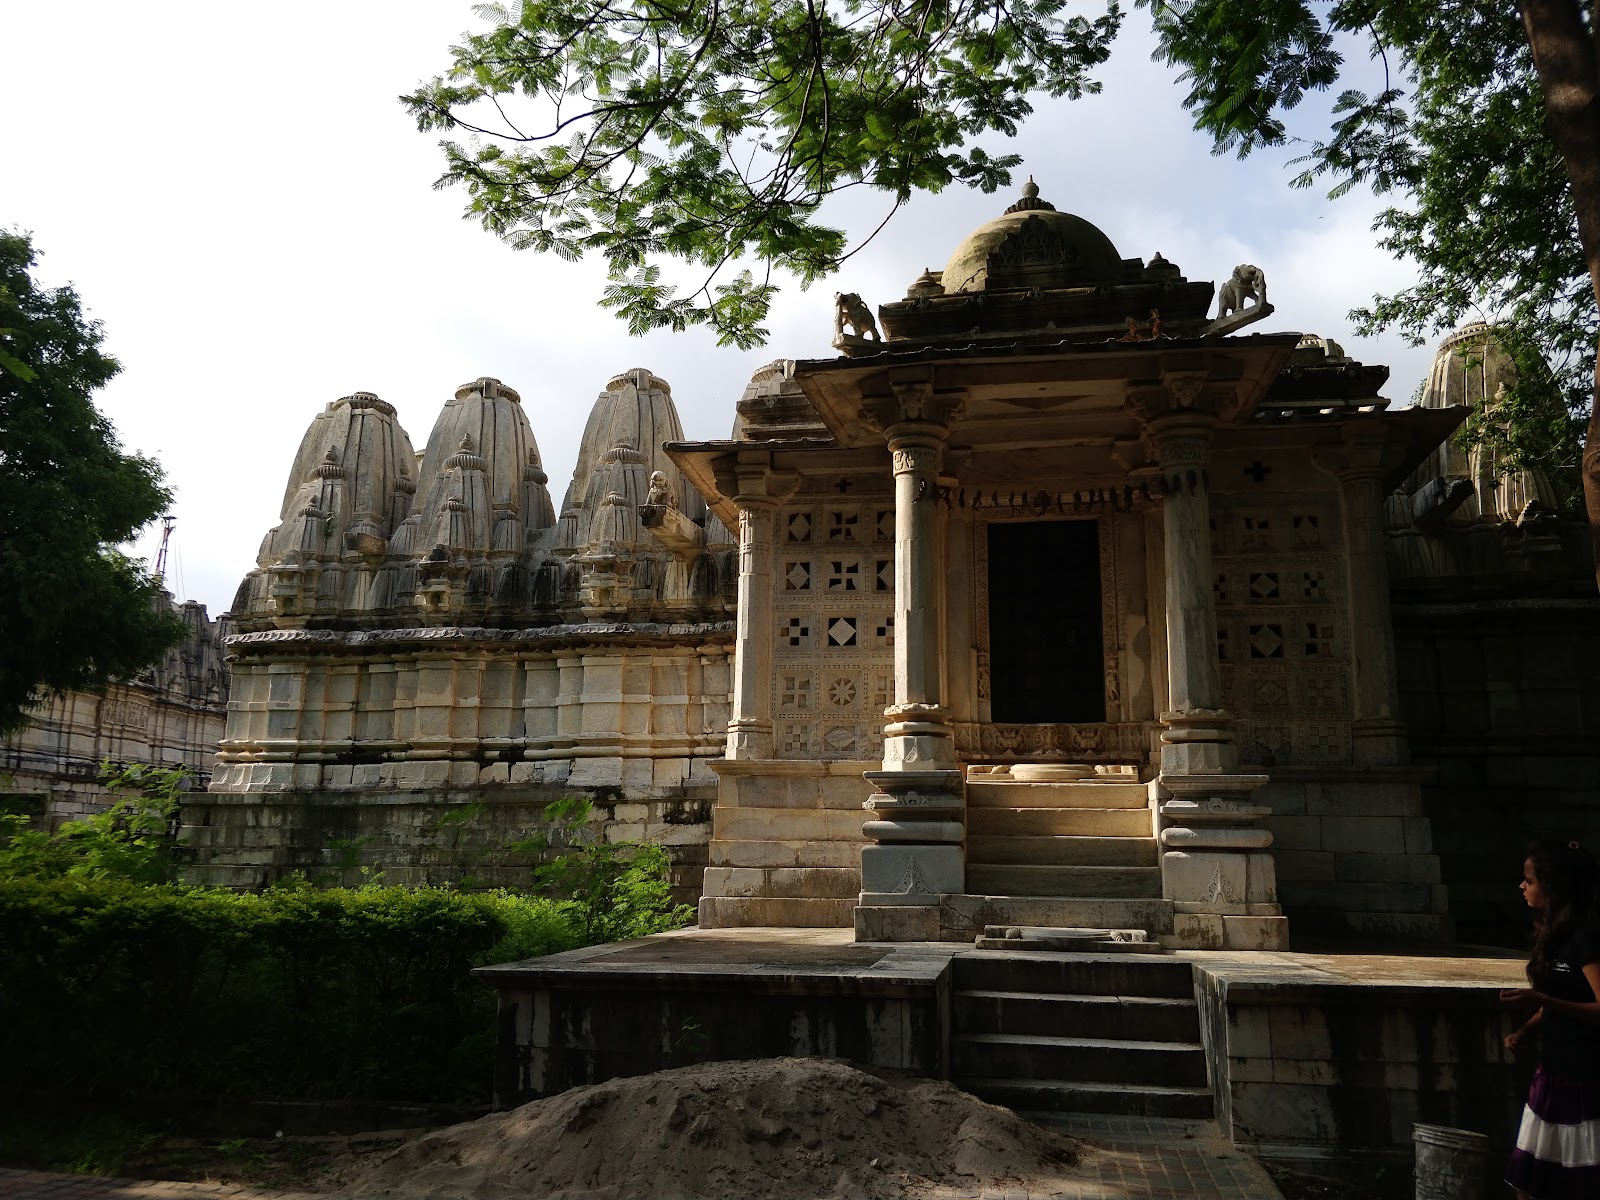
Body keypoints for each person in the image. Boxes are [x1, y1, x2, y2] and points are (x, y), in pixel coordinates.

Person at [1501, 840, 1600, 1198]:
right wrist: (1525, 1029)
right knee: (1527, 1178)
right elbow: (1562, 999)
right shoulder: (1552, 935)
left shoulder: (1584, 939)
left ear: (1553, 886)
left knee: (1580, 1179)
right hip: (1552, 1071)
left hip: (1584, 1078)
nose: (1522, 886)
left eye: (1530, 880)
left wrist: (1541, 998)